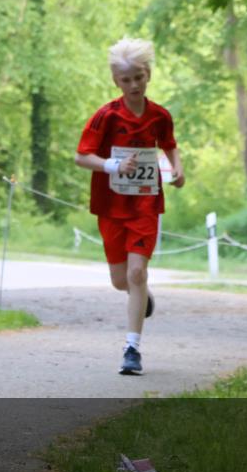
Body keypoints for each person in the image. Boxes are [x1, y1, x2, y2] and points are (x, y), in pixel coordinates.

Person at [75, 37, 185, 375]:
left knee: (137, 273)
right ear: (116, 81)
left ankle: (132, 349)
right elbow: (81, 156)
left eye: (139, 77)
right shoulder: (106, 116)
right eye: (126, 79)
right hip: (111, 206)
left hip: (145, 206)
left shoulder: (159, 116)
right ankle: (143, 297)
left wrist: (178, 168)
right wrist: (112, 166)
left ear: (148, 74)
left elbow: (169, 145)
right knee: (121, 280)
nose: (134, 84)